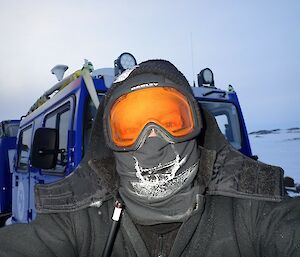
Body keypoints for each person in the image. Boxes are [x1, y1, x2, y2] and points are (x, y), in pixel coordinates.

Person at [0, 59, 299, 257]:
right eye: (129, 127)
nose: (152, 139)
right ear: (109, 140)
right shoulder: (81, 222)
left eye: (171, 120)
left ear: (196, 124)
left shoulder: (251, 212)